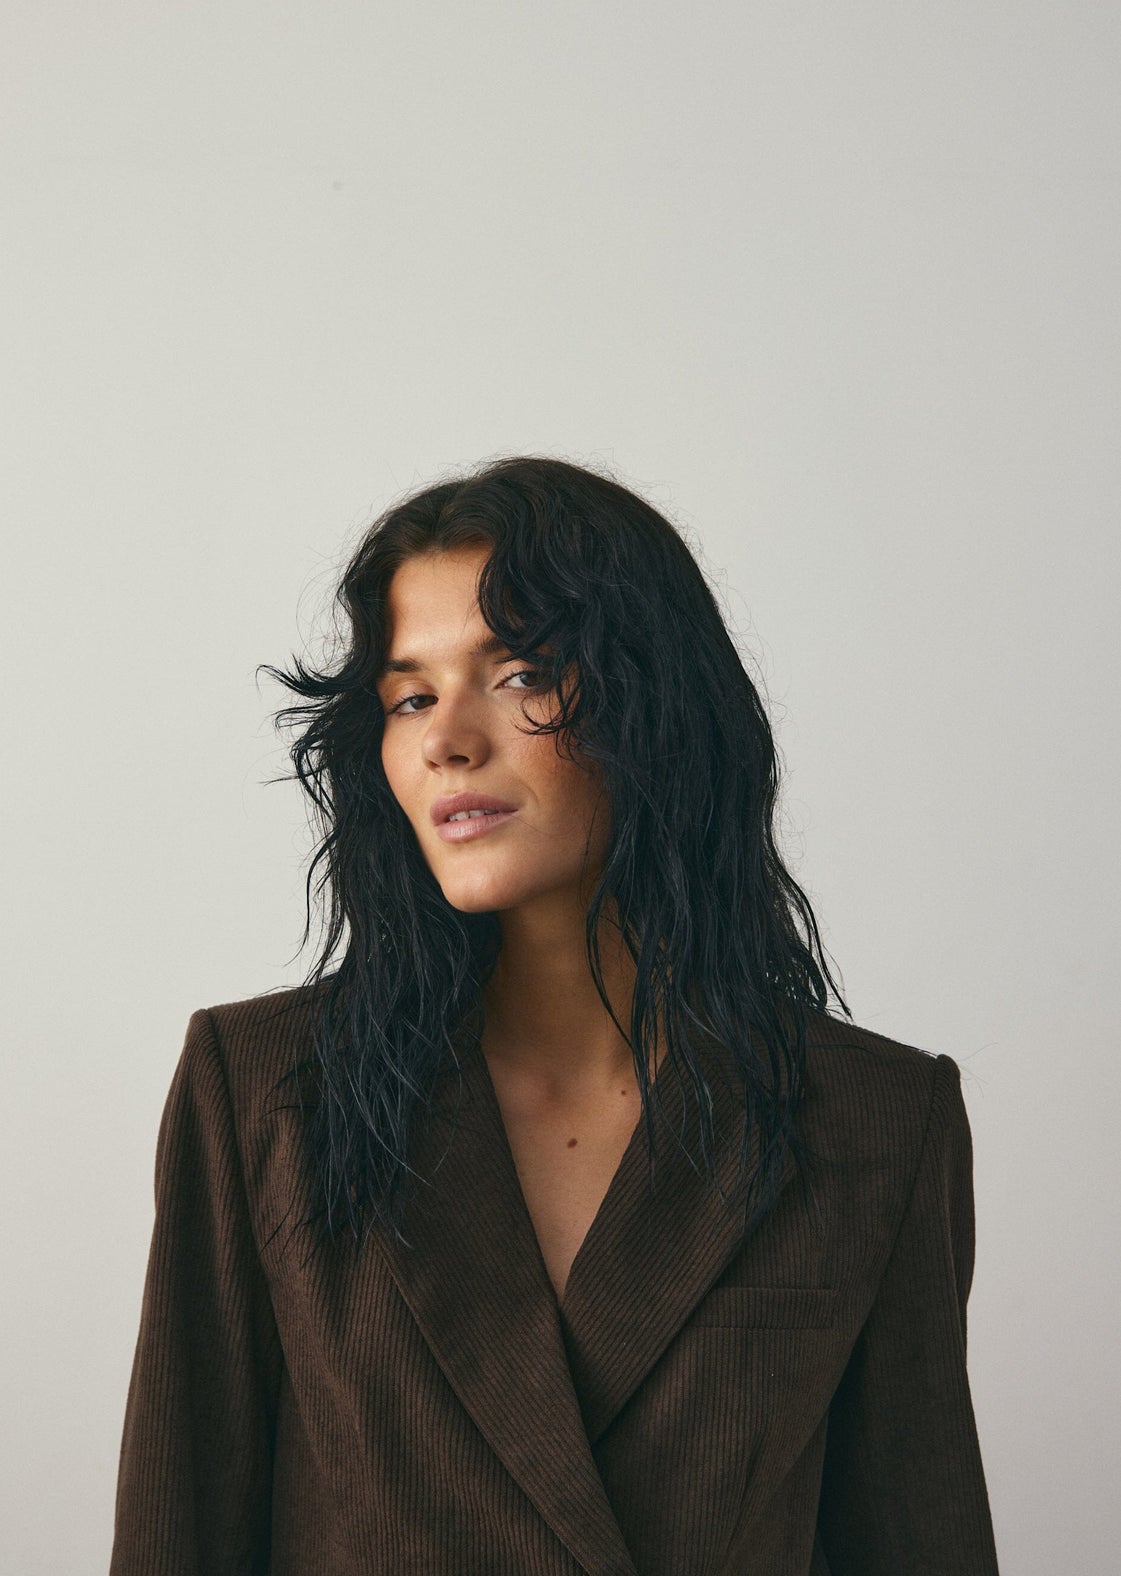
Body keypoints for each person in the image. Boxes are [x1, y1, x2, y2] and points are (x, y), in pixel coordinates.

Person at [110, 453, 1000, 1574]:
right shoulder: (263, 1089)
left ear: (655, 702)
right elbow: (178, 1534)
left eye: (521, 673)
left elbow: (919, 1540)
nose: (446, 739)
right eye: (409, 697)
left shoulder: (872, 1116)